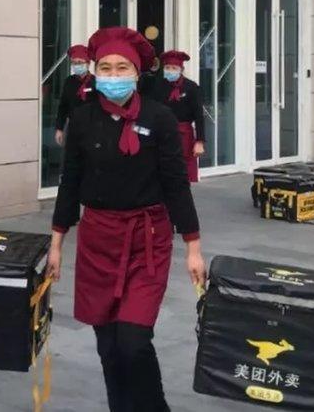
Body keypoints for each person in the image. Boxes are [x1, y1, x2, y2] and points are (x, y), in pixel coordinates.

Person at [46, 27, 206, 412]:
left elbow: (176, 185)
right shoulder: (82, 120)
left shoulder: (160, 118)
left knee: (133, 340)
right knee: (108, 344)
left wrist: (193, 248)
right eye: (105, 67)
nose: (113, 75)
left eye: (122, 68)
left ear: (136, 73)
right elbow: (69, 184)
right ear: (95, 72)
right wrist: (56, 244)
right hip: (98, 238)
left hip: (146, 240)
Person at [145, 50, 205, 182]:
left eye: (174, 68)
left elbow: (199, 115)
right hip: (161, 132)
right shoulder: (158, 85)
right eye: (167, 68)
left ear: (181, 69)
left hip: (183, 133)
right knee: (161, 169)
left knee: (182, 173)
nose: (170, 70)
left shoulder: (191, 87)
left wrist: (200, 141)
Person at [54, 44, 96, 146]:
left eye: (80, 62)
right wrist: (59, 128)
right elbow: (63, 107)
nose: (77, 65)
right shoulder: (69, 81)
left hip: (93, 127)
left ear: (88, 63)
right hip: (73, 126)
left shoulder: (96, 82)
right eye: (74, 63)